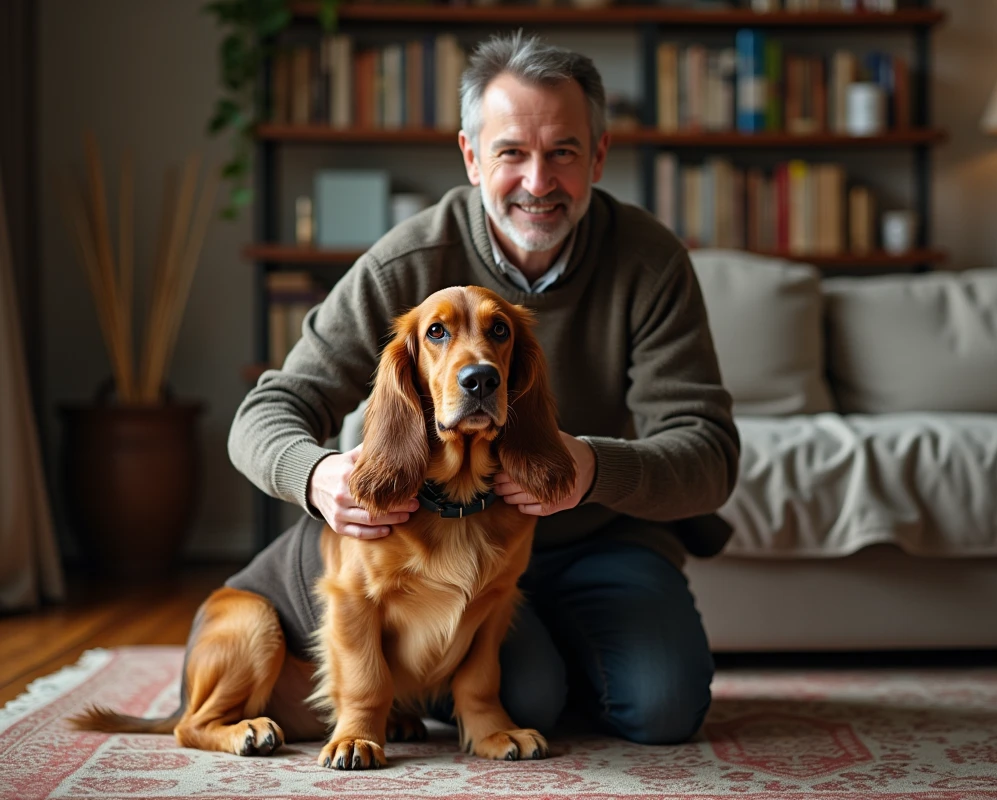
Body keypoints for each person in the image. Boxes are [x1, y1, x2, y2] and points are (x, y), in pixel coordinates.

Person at [228, 31, 740, 746]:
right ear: (471, 157)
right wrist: (316, 475)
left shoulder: (649, 261)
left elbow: (709, 454)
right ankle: (549, 678)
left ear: (597, 156)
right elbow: (266, 412)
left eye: (563, 151)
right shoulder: (407, 265)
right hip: (448, 552)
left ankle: (585, 667)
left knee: (663, 707)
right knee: (530, 695)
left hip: (604, 540)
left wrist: (588, 469)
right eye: (511, 153)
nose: (538, 182)